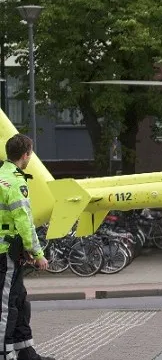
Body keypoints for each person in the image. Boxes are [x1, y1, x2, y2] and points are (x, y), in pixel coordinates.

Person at [0, 134, 53, 360]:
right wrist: (38, 253)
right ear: (26, 155)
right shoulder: (15, 180)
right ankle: (4, 353)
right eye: (30, 153)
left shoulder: (1, 176)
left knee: (20, 300)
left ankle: (24, 350)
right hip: (6, 253)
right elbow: (23, 219)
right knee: (6, 306)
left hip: (10, 251)